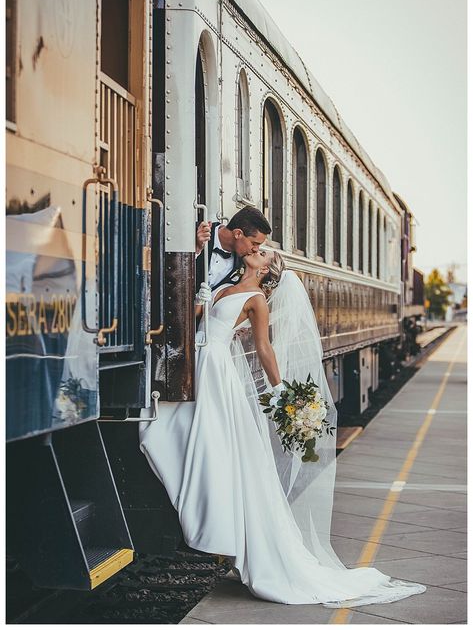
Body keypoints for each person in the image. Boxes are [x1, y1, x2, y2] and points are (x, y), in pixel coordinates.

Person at [140, 250, 426, 608]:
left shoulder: (257, 299)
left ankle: (223, 528)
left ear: (265, 270)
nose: (255, 253)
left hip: (214, 371)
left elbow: (264, 348)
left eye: (262, 254)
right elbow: (201, 320)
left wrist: (280, 393)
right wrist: (200, 294)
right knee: (183, 435)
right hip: (202, 362)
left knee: (215, 445)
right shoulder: (228, 285)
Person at [195, 206, 271, 306]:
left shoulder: (246, 262)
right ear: (238, 234)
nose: (256, 250)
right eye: (254, 243)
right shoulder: (197, 233)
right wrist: (196, 251)